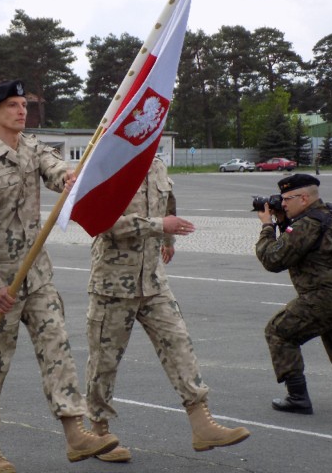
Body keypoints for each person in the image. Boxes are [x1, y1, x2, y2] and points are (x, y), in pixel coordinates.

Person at [0, 79, 119, 473]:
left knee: (57, 349)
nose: (20, 110)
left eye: (23, 104)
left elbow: (53, 165)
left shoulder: (31, 147)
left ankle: (75, 432)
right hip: (0, 285)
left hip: (37, 276)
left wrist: (67, 175)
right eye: (12, 105)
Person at [84, 156, 251, 460]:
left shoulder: (156, 163)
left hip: (153, 280)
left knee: (179, 344)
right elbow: (102, 222)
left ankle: (202, 423)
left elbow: (167, 203)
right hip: (113, 283)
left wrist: (169, 238)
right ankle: (99, 432)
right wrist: (159, 226)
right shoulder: (110, 159)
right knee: (104, 362)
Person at [256, 173, 332, 414]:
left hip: (326, 297)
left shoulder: (306, 224)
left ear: (305, 198)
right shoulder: (330, 214)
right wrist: (282, 223)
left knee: (279, 331)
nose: (283, 203)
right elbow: (296, 245)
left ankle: (297, 397)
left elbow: (273, 259)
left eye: (287, 198)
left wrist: (267, 227)